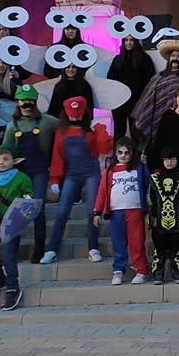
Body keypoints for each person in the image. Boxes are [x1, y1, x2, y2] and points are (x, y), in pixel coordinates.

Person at [39, 96, 111, 264]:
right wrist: (55, 179)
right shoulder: (61, 132)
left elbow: (104, 149)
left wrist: (100, 131)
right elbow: (57, 157)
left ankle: (93, 247)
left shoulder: (92, 130)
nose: (75, 118)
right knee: (62, 211)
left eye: (78, 114)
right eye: (72, 115)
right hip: (71, 175)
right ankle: (52, 249)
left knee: (91, 211)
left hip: (91, 173)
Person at [0, 84, 58, 263]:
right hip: (18, 174)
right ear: (17, 102)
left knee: (38, 208)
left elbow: (67, 129)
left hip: (39, 171)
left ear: (35, 101)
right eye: (22, 101)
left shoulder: (48, 121)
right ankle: (11, 249)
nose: (26, 104)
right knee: (15, 210)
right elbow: (6, 151)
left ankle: (39, 248)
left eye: (29, 100)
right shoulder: (11, 126)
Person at [0, 148, 33, 311]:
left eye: (6, 159)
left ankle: (13, 287)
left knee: (7, 254)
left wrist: (23, 215)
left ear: (15, 161)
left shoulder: (22, 178)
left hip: (13, 221)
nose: (1, 162)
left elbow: (28, 201)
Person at [94, 137, 150, 285]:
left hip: (135, 211)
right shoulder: (109, 171)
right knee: (118, 242)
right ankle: (118, 270)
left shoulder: (140, 168)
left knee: (137, 241)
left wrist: (150, 209)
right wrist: (97, 212)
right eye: (120, 152)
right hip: (115, 212)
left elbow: (149, 187)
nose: (123, 155)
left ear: (132, 154)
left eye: (127, 153)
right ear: (116, 153)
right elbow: (102, 192)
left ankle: (141, 269)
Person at [131, 39, 179, 144]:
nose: (175, 58)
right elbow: (147, 101)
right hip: (160, 122)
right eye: (173, 56)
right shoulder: (158, 78)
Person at [147, 151, 179, 284]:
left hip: (177, 219)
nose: (169, 162)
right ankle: (158, 271)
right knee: (159, 247)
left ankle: (176, 270)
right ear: (161, 161)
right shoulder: (154, 179)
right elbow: (150, 198)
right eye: (166, 159)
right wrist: (152, 216)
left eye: (172, 159)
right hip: (159, 219)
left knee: (176, 246)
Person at [107, 35, 156, 139]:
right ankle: (117, 153)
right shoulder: (118, 59)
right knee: (119, 131)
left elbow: (151, 80)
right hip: (119, 102)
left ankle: (137, 155)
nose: (128, 43)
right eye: (126, 40)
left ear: (136, 42)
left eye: (131, 40)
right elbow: (110, 78)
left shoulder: (144, 59)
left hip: (137, 102)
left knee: (137, 131)